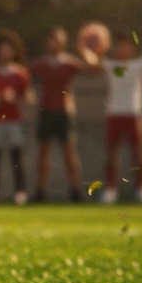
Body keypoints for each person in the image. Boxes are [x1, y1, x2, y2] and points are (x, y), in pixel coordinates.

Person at [30, 26, 99, 203]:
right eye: (51, 40)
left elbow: (92, 67)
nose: (53, 43)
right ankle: (40, 191)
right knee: (43, 153)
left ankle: (75, 190)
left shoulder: (69, 62)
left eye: (57, 40)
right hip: (46, 111)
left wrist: (83, 49)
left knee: (69, 153)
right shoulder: (41, 63)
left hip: (64, 111)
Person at [101, 33, 142, 205]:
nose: (123, 50)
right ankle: (111, 189)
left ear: (132, 49)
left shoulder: (139, 65)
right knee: (111, 154)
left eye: (126, 46)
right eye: (120, 46)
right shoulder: (109, 65)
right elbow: (91, 61)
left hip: (134, 114)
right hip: (114, 114)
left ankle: (141, 188)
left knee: (138, 154)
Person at [0, 30, 33, 205]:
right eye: (2, 49)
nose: (4, 53)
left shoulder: (21, 73)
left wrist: (17, 99)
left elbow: (29, 97)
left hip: (14, 119)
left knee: (16, 157)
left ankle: (20, 192)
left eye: (8, 49)